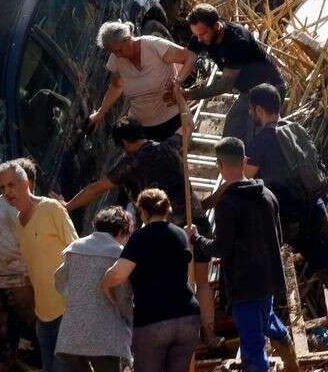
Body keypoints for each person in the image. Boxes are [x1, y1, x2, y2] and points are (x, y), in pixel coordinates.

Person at [62, 117, 217, 346]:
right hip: (197, 220)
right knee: (202, 283)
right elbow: (188, 125)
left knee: (171, 283)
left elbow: (96, 188)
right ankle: (211, 337)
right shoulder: (169, 146)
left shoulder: (132, 163)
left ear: (124, 142)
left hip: (167, 229)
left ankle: (174, 339)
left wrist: (66, 206)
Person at [243, 84, 328, 347]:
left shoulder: (262, 139)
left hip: (288, 221)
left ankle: (271, 339)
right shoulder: (295, 129)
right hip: (315, 209)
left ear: (258, 109)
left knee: (266, 277)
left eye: (251, 110)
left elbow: (245, 177)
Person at [187, 138, 303, 372]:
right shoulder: (267, 195)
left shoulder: (228, 204)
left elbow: (220, 249)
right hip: (268, 279)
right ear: (245, 161)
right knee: (269, 322)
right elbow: (278, 237)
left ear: (219, 164)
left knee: (252, 349)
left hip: (245, 286)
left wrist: (196, 239)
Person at [102, 189, 200, 372]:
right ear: (166, 209)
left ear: (143, 212)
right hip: (187, 318)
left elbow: (118, 275)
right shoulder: (180, 234)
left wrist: (105, 283)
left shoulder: (140, 238)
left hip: (153, 322)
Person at [0, 159, 79, 372]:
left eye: (11, 184)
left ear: (26, 183)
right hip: (43, 317)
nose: (7, 192)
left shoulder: (51, 208)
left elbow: (77, 252)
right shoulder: (18, 224)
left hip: (66, 310)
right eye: (2, 188)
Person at [183, 4, 287, 144]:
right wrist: (177, 80)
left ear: (216, 26)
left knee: (253, 138)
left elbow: (225, 86)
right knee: (232, 130)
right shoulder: (201, 35)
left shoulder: (237, 41)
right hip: (249, 91)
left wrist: (189, 94)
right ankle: (226, 163)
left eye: (202, 34)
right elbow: (188, 57)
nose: (199, 39)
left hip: (269, 89)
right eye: (196, 35)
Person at [54, 206, 134, 372]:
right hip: (105, 336)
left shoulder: (75, 249)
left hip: (72, 335)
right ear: (122, 231)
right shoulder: (119, 254)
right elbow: (124, 299)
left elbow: (59, 281)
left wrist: (78, 297)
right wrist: (129, 325)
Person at [87, 20, 196, 142]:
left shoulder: (154, 46)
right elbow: (116, 86)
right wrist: (101, 112)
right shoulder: (116, 60)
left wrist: (177, 82)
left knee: (172, 157)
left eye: (119, 50)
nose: (117, 55)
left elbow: (189, 57)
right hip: (142, 127)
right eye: (113, 52)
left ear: (128, 39)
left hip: (173, 120)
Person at [0, 158, 39, 372]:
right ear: (27, 182)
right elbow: (32, 248)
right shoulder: (19, 210)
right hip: (20, 284)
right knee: (42, 334)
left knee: (4, 339)